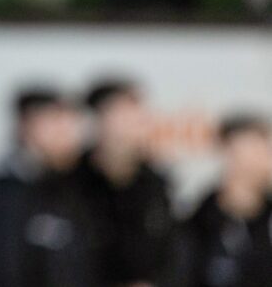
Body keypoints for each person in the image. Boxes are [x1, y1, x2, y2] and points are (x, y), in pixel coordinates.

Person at [0, 88, 96, 287]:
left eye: (69, 124)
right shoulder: (11, 193)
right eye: (55, 123)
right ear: (25, 126)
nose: (65, 133)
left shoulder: (78, 185)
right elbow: (5, 269)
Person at [75, 80, 176, 287]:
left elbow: (172, 253)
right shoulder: (70, 183)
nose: (133, 122)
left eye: (136, 113)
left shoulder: (155, 184)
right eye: (122, 113)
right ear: (100, 119)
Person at [178, 115, 272, 287]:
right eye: (258, 149)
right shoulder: (199, 224)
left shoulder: (267, 220)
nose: (267, 158)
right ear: (230, 153)